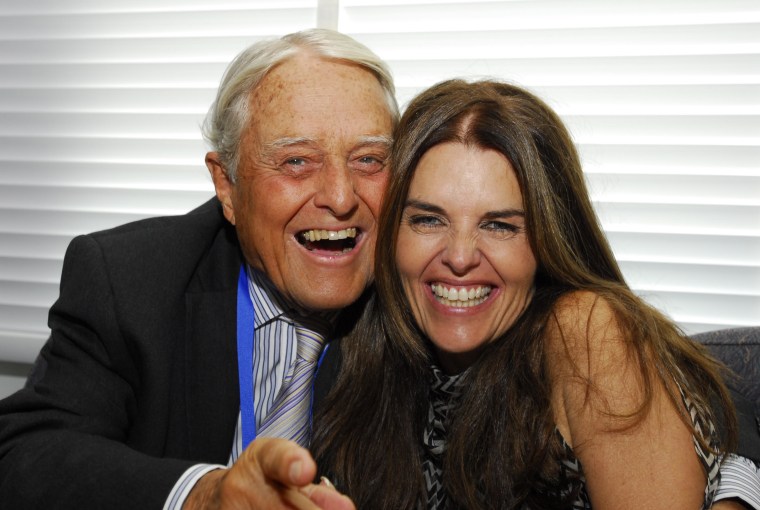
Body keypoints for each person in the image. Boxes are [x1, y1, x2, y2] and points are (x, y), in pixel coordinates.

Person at [312, 79, 760, 509]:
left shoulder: (585, 332)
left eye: (499, 225)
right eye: (429, 220)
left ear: (547, 241)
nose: (461, 257)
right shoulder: (370, 350)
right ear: (393, 232)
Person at [0, 29, 396, 509]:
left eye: (369, 159)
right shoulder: (129, 280)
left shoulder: (420, 298)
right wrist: (204, 496)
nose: (340, 196)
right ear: (227, 186)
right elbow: (24, 453)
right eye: (297, 161)